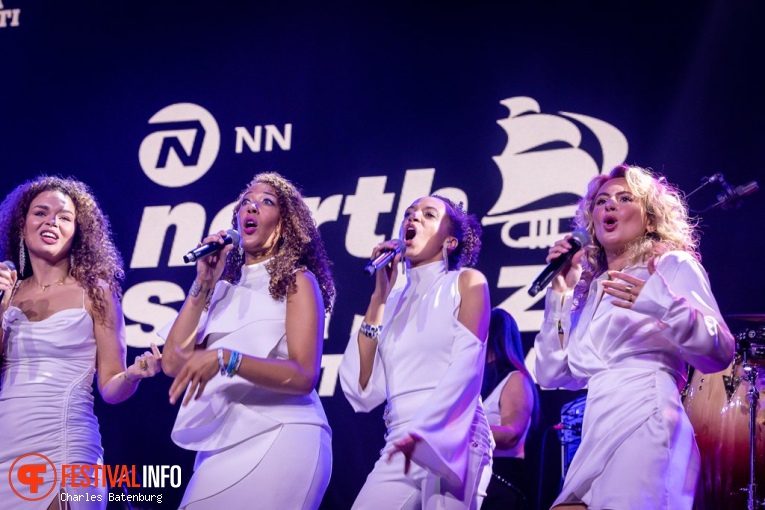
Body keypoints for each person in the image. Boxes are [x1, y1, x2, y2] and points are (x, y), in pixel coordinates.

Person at [533, 164, 735, 510]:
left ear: (650, 219)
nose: (609, 206)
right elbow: (553, 374)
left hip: (646, 417)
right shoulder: (593, 288)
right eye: (601, 201)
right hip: (597, 426)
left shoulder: (672, 266)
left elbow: (720, 351)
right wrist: (560, 296)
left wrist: (661, 304)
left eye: (624, 199)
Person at [160, 172, 335, 510]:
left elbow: (303, 375)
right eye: (245, 203)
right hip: (221, 445)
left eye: (266, 202)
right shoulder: (221, 290)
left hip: (284, 433)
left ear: (284, 225)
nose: (251, 208)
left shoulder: (297, 281)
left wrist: (227, 358)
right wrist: (203, 284)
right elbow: (173, 362)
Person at [0, 175, 162, 509]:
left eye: (63, 217)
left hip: (66, 446)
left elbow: (111, 388)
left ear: (78, 230)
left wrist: (133, 375)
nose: (51, 222)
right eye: (40, 213)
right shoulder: (9, 291)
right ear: (22, 223)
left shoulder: (96, 292)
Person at [339, 194, 492, 509]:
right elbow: (362, 387)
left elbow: (468, 365)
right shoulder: (391, 302)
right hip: (400, 439)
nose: (414, 219)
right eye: (409, 214)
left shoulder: (465, 282)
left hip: (455, 434)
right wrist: (379, 297)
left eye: (428, 215)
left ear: (449, 242)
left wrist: (428, 428)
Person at [480, 308, 538, 510]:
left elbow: (512, 433)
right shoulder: (477, 382)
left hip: (501, 481)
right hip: (474, 477)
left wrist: (463, 433)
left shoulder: (515, 379)